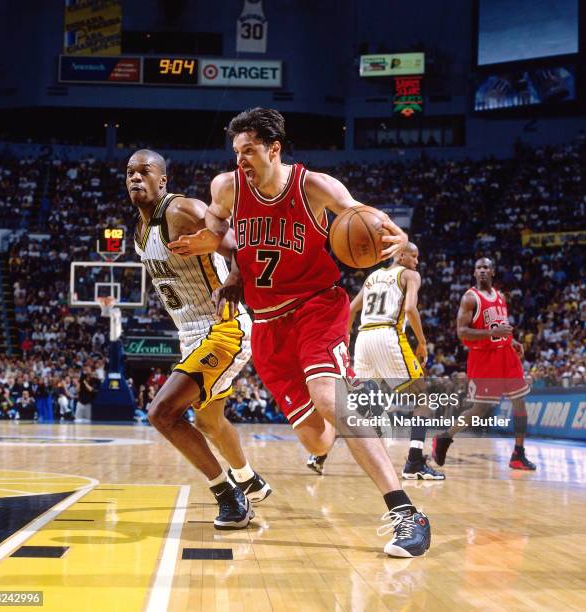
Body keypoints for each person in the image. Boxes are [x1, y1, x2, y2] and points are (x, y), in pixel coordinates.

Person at [175, 108, 431, 557]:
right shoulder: (227, 186)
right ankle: (347, 415)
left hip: (317, 307)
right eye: (236, 152)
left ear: (274, 149)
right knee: (316, 437)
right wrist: (224, 258)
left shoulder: (314, 186)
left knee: (332, 400)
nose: (242, 161)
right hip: (269, 327)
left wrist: (399, 237)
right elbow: (221, 230)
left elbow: (367, 218)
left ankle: (406, 512)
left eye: (250, 151)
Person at [127, 148, 271, 531]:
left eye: (145, 171)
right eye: (130, 173)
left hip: (224, 328)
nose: (136, 178)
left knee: (161, 412)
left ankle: (229, 497)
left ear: (163, 179)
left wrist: (234, 279)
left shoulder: (182, 211)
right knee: (208, 422)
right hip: (190, 334)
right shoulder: (139, 229)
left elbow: (243, 245)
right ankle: (247, 478)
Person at [344, 242, 445, 480]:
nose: (417, 262)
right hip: (387, 335)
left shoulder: (372, 277)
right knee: (424, 399)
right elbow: (410, 308)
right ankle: (414, 462)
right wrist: (421, 341)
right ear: (400, 255)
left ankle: (320, 455)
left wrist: (346, 342)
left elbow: (349, 311)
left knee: (359, 405)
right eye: (414, 256)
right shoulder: (410, 275)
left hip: (363, 338)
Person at [432, 258, 536, 470]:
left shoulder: (501, 296)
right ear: (474, 272)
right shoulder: (470, 298)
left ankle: (518, 453)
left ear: (493, 272)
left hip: (506, 355)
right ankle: (444, 438)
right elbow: (462, 332)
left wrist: (511, 341)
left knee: (519, 402)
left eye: (486, 267)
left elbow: (499, 326)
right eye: (478, 267)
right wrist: (492, 333)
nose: (482, 271)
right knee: (479, 409)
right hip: (484, 358)